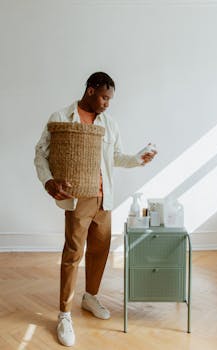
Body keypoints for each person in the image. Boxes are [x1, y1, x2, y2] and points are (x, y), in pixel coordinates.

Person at [34, 72, 157, 346]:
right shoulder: (61, 118)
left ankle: (90, 296)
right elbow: (40, 153)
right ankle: (64, 314)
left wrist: (138, 159)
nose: (107, 103)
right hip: (79, 198)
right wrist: (48, 181)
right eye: (104, 97)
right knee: (73, 253)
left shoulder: (109, 124)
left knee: (100, 250)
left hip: (105, 198)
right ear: (90, 91)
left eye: (110, 98)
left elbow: (115, 157)